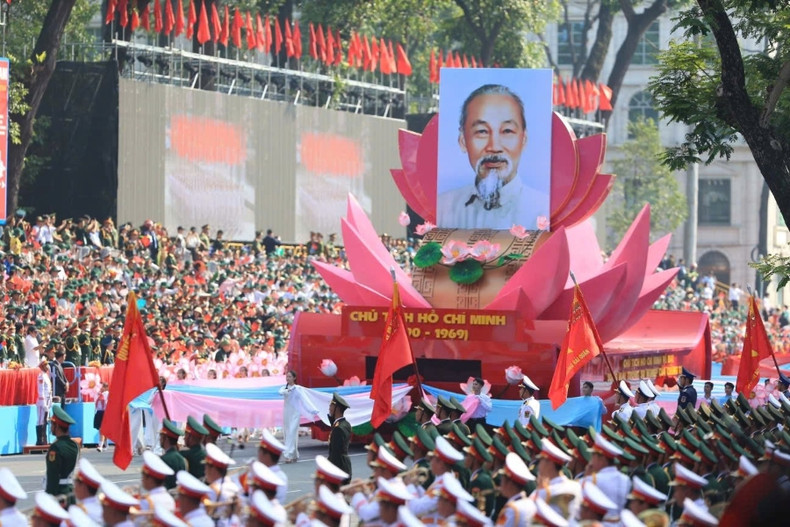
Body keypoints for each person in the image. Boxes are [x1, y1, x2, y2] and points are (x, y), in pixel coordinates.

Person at [437, 84, 548, 230]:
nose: (494, 147)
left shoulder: (544, 211)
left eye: (507, 131)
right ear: (463, 141)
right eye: (482, 131)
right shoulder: (443, 209)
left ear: (524, 139)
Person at [279, 370, 320, 463]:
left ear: (294, 378)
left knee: (292, 432)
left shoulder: (298, 389)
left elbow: (305, 400)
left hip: (295, 414)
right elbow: (281, 392)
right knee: (288, 433)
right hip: (287, 413)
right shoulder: (284, 388)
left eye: (290, 376)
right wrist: (288, 390)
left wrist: (312, 409)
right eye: (287, 376)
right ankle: (294, 454)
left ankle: (288, 455)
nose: (288, 378)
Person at [45, 405, 79, 496]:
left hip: (58, 492)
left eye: (52, 424)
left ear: (56, 426)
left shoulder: (56, 447)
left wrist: (49, 495)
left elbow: (53, 474)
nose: (51, 427)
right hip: (70, 491)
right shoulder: (74, 445)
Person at [327, 392, 352, 483]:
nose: (329, 408)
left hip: (339, 468)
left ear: (336, 409)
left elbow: (336, 453)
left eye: (331, 406)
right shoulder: (344, 424)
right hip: (344, 465)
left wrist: (329, 469)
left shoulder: (338, 428)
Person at [159, 419, 187, 490]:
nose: (159, 439)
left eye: (161, 437)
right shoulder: (181, 457)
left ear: (166, 439)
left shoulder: (164, 459)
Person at [36, 357, 52, 445]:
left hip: (47, 400)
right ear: (42, 366)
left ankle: (44, 438)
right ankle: (40, 440)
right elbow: (40, 390)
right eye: (46, 365)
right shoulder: (41, 376)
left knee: (45, 419)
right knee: (40, 419)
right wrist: (43, 403)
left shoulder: (46, 375)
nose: (48, 366)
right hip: (42, 401)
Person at [95, 382, 109, 451]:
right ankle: (106, 444)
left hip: (105, 412)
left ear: (106, 388)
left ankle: (100, 445)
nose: (100, 388)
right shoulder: (98, 394)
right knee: (102, 429)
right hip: (99, 412)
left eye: (102, 387)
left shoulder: (107, 394)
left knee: (102, 429)